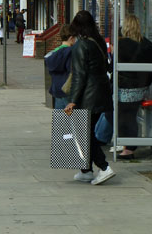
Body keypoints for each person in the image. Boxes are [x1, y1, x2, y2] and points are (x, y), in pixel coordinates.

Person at [64, 10, 115, 186]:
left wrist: (72, 100)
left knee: (84, 135)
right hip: (101, 92)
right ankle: (86, 170)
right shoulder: (99, 41)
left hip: (88, 96)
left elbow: (79, 76)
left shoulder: (81, 45)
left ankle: (104, 167)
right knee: (86, 132)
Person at [115, 14, 152, 160]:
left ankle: (128, 148)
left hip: (125, 87)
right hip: (141, 87)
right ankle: (129, 146)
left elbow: (113, 65)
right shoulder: (146, 45)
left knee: (124, 117)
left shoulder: (121, 44)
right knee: (131, 116)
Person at [45, 24, 76, 109]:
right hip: (67, 90)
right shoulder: (71, 52)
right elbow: (72, 71)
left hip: (56, 89)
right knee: (74, 119)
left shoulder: (54, 52)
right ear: (71, 38)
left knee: (61, 120)